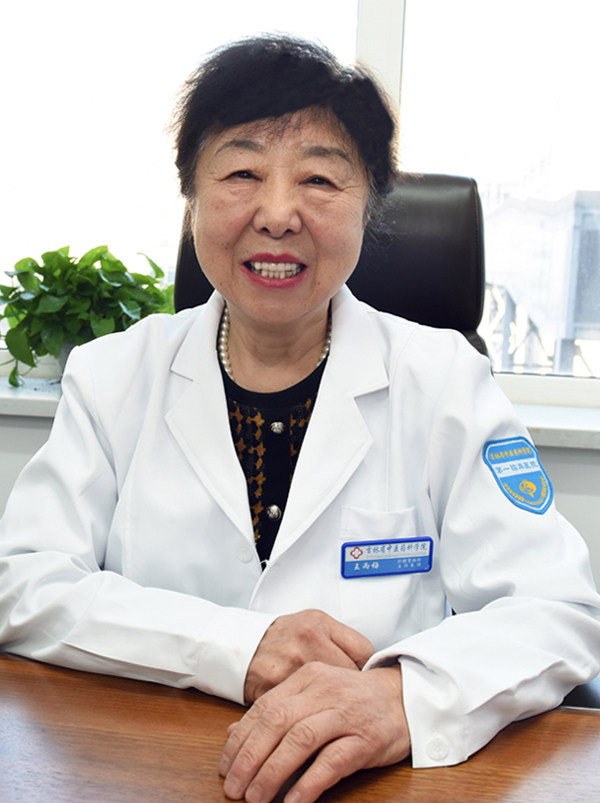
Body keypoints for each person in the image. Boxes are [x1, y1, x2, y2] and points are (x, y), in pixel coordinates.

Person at [1, 35, 599, 803]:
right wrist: (237, 645)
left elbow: (558, 608)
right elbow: (24, 582)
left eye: (319, 178)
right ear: (191, 198)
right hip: (149, 768)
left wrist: (406, 696)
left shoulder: (446, 380)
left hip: (375, 782)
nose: (279, 214)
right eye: (242, 173)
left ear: (368, 204)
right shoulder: (114, 374)